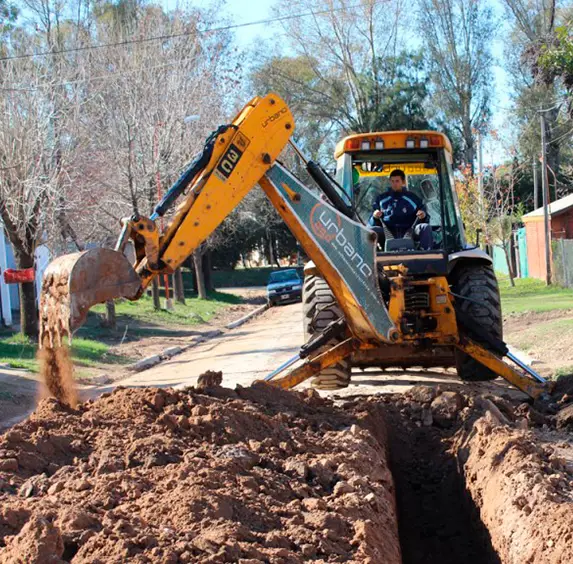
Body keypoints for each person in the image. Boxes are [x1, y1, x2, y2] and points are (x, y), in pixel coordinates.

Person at [368, 169, 433, 250]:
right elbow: (371, 221)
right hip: (387, 232)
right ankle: (371, 258)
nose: (394, 184)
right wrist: (375, 216)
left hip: (410, 231)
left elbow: (424, 215)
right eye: (392, 181)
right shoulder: (381, 199)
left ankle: (427, 255)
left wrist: (423, 215)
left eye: (397, 181)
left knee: (425, 227)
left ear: (403, 182)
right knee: (371, 231)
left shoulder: (412, 198)